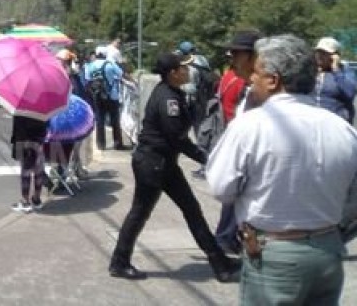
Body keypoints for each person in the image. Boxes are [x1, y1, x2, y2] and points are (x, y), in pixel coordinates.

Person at [207, 34, 357, 305]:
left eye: (256, 72)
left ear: (273, 80)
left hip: (274, 254)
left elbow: (221, 188)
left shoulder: (250, 126)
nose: (251, 78)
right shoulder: (342, 128)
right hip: (329, 251)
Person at [108, 52, 239, 282]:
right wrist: (206, 158)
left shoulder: (173, 93)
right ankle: (119, 262)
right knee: (140, 213)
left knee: (192, 210)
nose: (188, 71)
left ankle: (220, 263)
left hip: (164, 163)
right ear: (173, 74)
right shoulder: (167, 99)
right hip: (153, 164)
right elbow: (178, 138)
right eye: (183, 68)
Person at [212, 29, 261, 255]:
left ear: (254, 57)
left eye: (236, 53)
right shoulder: (247, 91)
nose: (232, 58)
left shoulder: (262, 99)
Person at [86, 47, 126, 150]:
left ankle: (101, 144)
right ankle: (117, 143)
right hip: (112, 95)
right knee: (115, 120)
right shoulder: (110, 64)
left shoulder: (91, 65)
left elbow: (88, 79)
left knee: (100, 120)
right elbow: (120, 73)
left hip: (98, 95)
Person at [10, 114, 49, 213]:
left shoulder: (21, 109)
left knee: (25, 172)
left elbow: (18, 128)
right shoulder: (41, 108)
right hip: (39, 140)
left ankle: (25, 201)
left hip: (24, 141)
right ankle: (36, 199)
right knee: (38, 171)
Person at [313, 36, 356, 123]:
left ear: (335, 56)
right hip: (314, 123)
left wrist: (336, 70)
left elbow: (349, 93)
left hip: (336, 123)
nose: (319, 55)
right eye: (318, 52)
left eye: (324, 53)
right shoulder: (310, 71)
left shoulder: (345, 71)